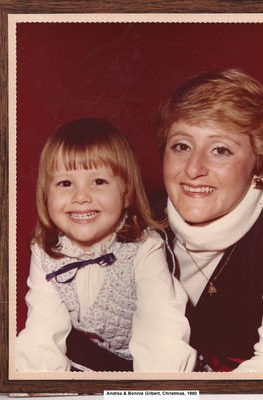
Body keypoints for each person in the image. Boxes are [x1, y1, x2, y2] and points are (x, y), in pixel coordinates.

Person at [16, 118, 196, 372]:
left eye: (98, 181)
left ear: (126, 194)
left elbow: (161, 328)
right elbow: (42, 331)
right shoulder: (45, 252)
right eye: (65, 183)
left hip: (141, 366)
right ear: (46, 195)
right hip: (85, 365)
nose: (80, 197)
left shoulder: (144, 248)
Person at [155, 69, 263, 372]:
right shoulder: (138, 219)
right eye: (181, 146)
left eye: (220, 150)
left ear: (259, 165)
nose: (193, 169)